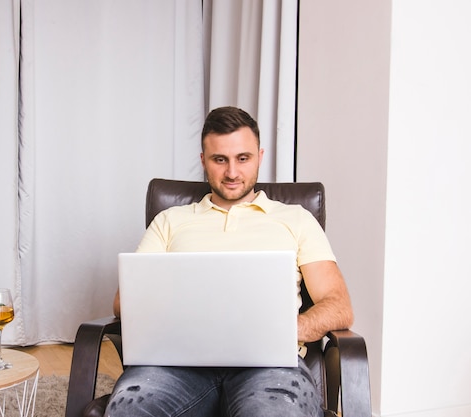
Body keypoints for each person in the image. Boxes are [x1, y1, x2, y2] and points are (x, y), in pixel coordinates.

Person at [107, 106, 354, 417]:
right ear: (203, 161)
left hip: (270, 367)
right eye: (219, 159)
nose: (232, 173)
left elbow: (339, 305)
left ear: (260, 157)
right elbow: (123, 302)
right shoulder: (170, 221)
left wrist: (287, 329)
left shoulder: (296, 220)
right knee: (129, 411)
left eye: (243, 158)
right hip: (176, 364)